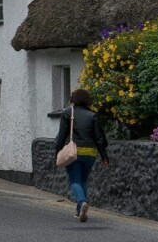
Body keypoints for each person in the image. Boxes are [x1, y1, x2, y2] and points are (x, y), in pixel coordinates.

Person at [55, 89, 109, 222]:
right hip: (90, 153)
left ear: (73, 99)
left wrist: (57, 152)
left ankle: (82, 202)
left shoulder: (68, 113)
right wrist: (104, 156)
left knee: (75, 180)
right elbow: (99, 138)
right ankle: (80, 211)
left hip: (74, 152)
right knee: (83, 180)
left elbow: (61, 135)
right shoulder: (92, 115)